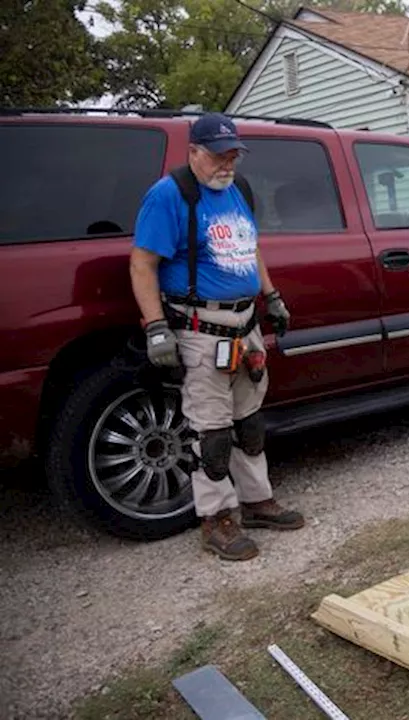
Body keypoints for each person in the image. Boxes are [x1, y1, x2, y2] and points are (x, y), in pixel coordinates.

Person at [129, 112, 303, 562]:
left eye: (233, 154)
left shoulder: (237, 190)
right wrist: (156, 328)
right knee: (211, 431)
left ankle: (257, 501)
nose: (227, 163)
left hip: (245, 329)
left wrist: (272, 296)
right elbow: (142, 264)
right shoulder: (170, 195)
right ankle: (217, 520)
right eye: (218, 154)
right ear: (193, 152)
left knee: (249, 422)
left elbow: (251, 246)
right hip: (200, 330)